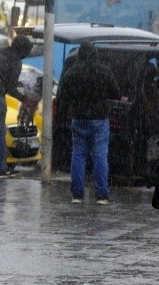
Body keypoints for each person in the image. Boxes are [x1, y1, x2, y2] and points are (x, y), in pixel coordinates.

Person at [56, 41, 120, 204]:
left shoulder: (71, 72)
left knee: (78, 155)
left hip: (79, 119)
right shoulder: (104, 72)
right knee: (100, 156)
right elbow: (115, 93)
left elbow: (62, 95)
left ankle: (77, 195)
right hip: (99, 119)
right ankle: (101, 195)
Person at [0, 35, 32, 178]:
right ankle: (0, 169)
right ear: (23, 50)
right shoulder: (16, 61)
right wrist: (24, 98)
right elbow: (10, 88)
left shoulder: (0, 51)